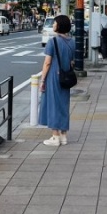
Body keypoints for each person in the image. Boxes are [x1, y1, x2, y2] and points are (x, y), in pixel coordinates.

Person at [39, 14, 75, 147]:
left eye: (54, 23)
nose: (53, 25)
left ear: (59, 25)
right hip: (66, 76)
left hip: (54, 76)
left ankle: (55, 136)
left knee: (53, 104)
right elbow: (72, 61)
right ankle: (64, 135)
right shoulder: (72, 41)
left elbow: (47, 62)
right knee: (63, 105)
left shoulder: (52, 42)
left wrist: (43, 80)